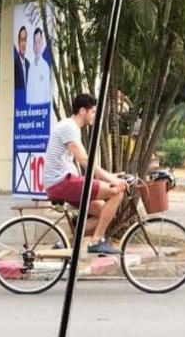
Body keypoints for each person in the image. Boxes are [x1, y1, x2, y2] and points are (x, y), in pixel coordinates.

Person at [42, 93, 125, 255]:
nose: (95, 115)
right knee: (117, 193)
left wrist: (110, 175)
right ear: (82, 111)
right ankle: (97, 241)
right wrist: (111, 179)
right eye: (93, 112)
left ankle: (65, 243)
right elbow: (84, 160)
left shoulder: (71, 127)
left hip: (63, 182)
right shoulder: (69, 127)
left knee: (104, 213)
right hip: (62, 182)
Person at [25, 28, 53, 105]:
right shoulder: (30, 67)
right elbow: (28, 93)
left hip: (42, 109)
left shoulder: (45, 67)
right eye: (35, 42)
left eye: (39, 42)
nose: (37, 46)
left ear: (42, 44)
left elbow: (47, 94)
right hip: (30, 109)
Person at [13, 26, 30, 93]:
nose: (23, 44)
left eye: (25, 40)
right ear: (18, 42)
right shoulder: (15, 62)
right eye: (21, 40)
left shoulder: (28, 64)